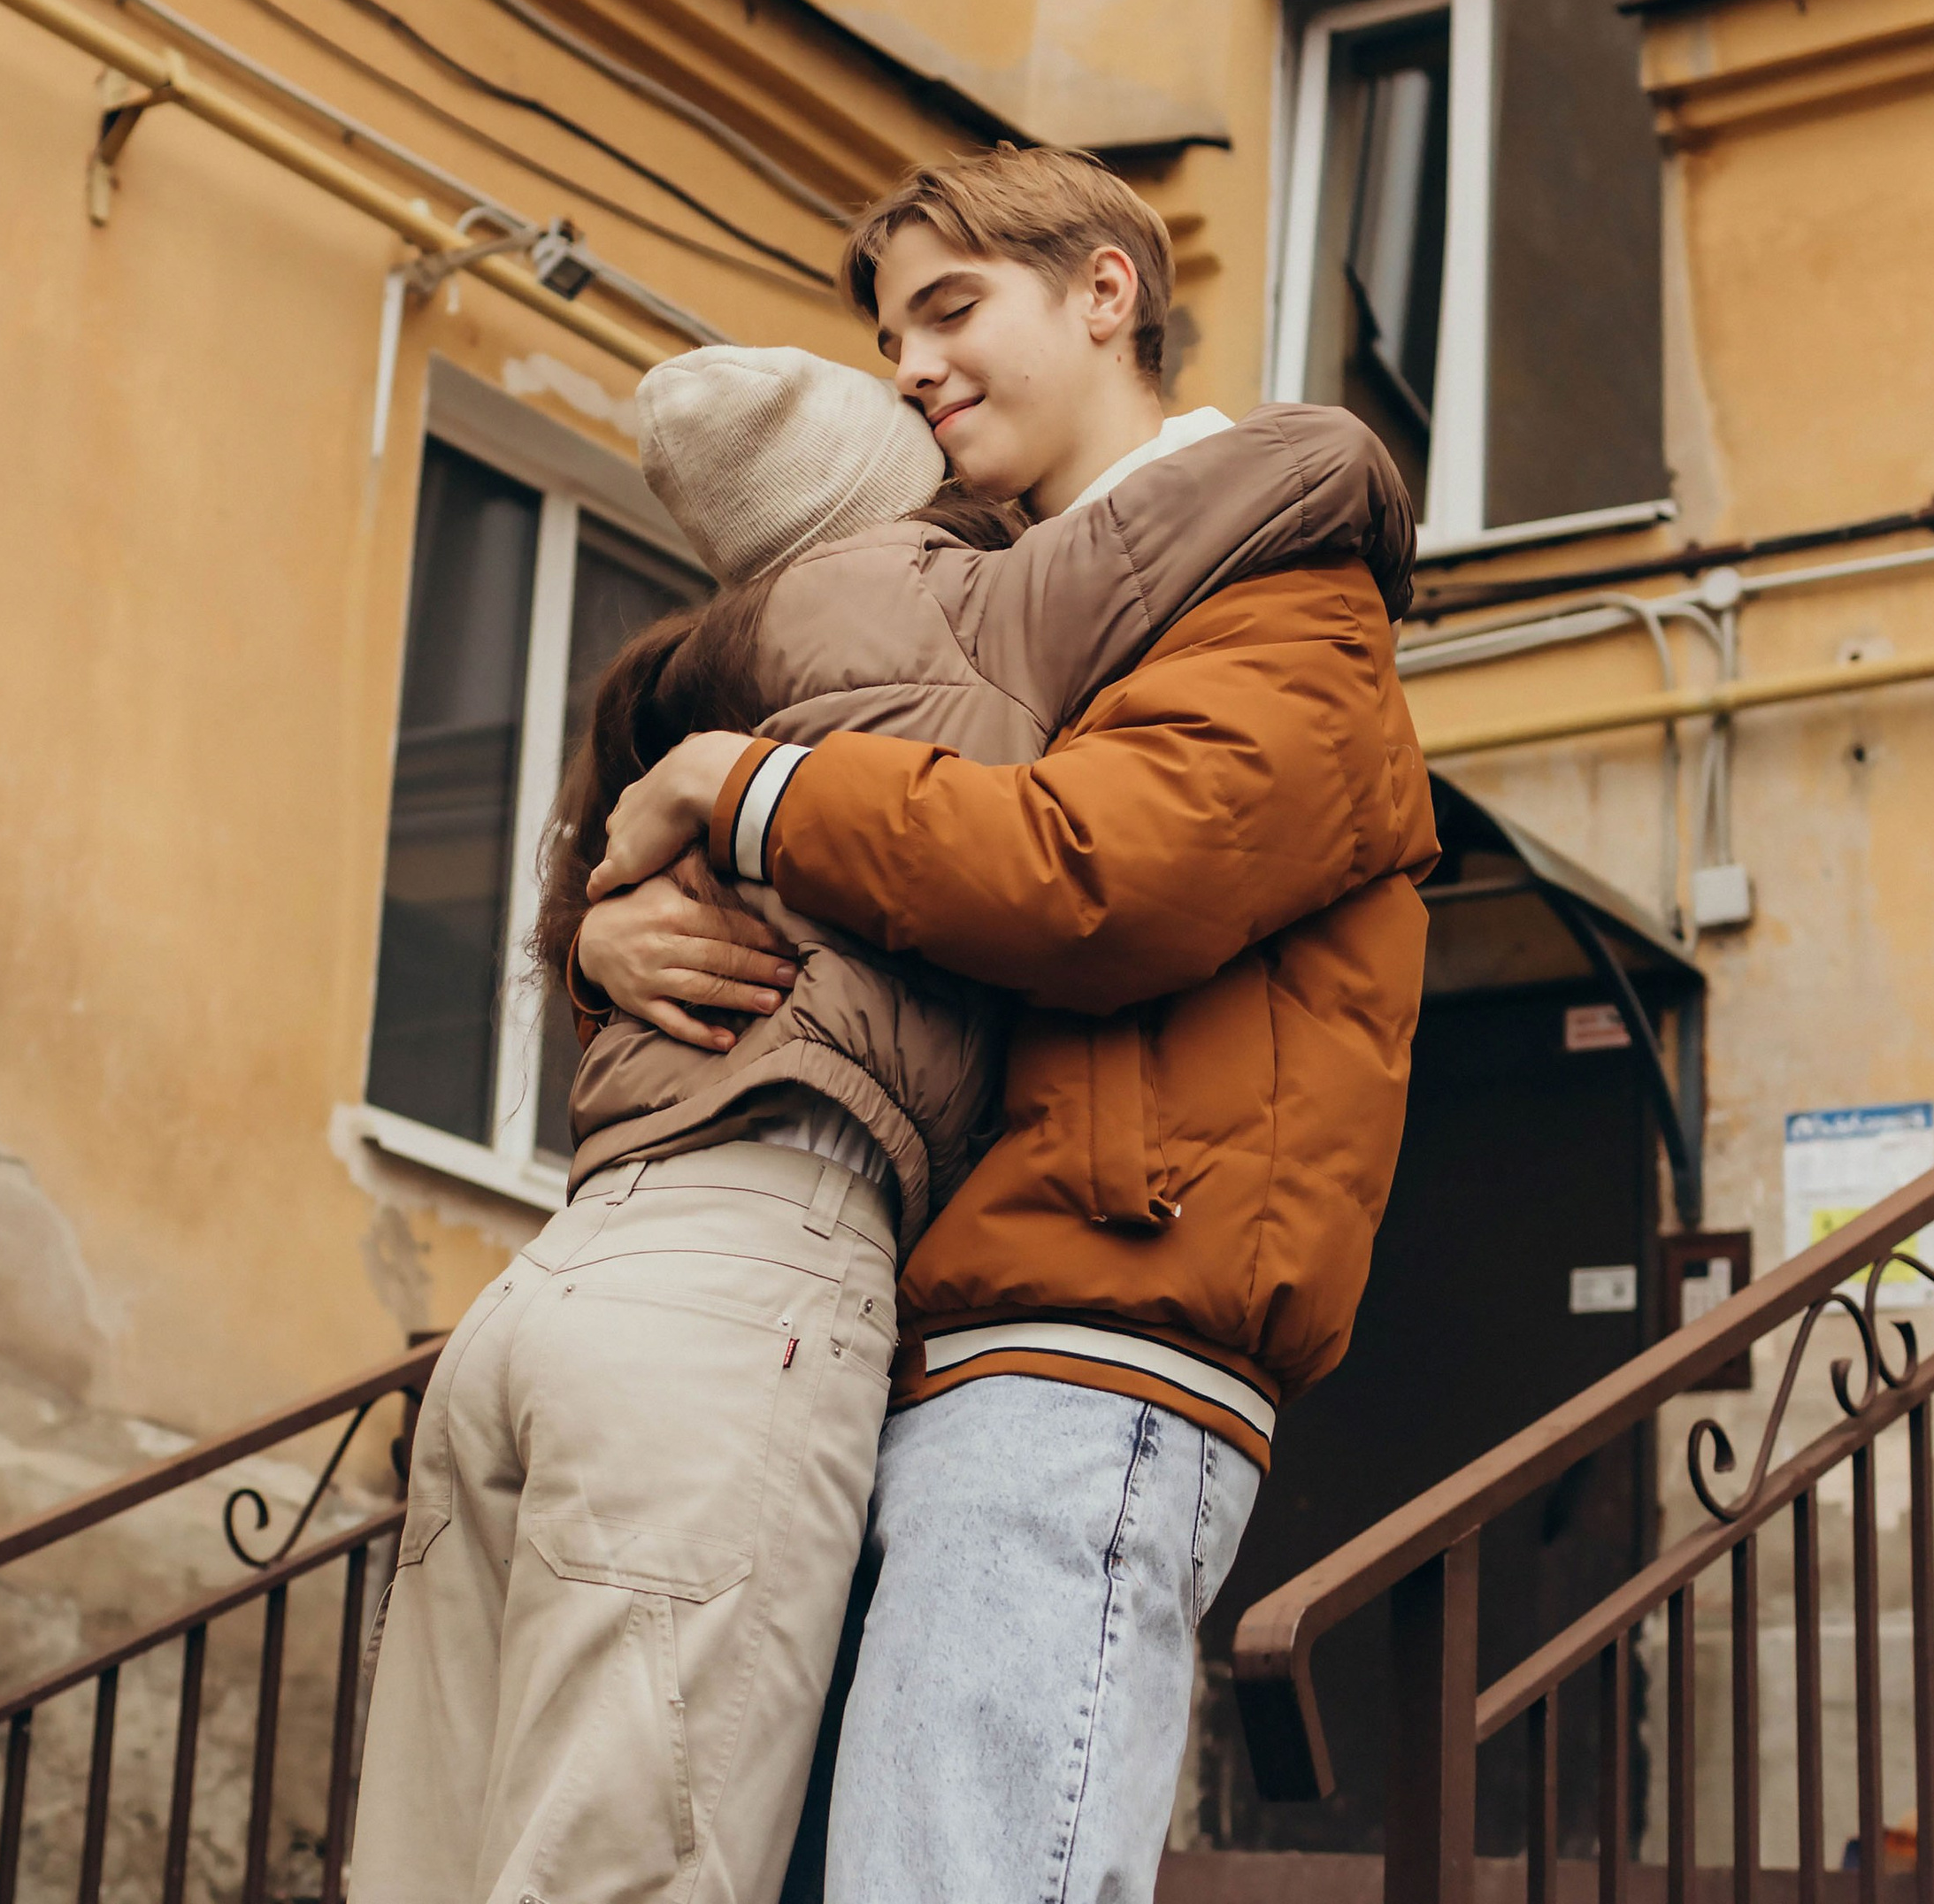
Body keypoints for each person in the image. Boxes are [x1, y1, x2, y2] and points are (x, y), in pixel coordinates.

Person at [347, 314, 1416, 1904]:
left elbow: (602, 937)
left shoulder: (686, 676)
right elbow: (1194, 579)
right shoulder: (961, 613)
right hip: (746, 1295)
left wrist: (600, 934)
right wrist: (1344, 457)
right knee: (633, 1865)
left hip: (556, 1290)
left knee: (436, 1866)